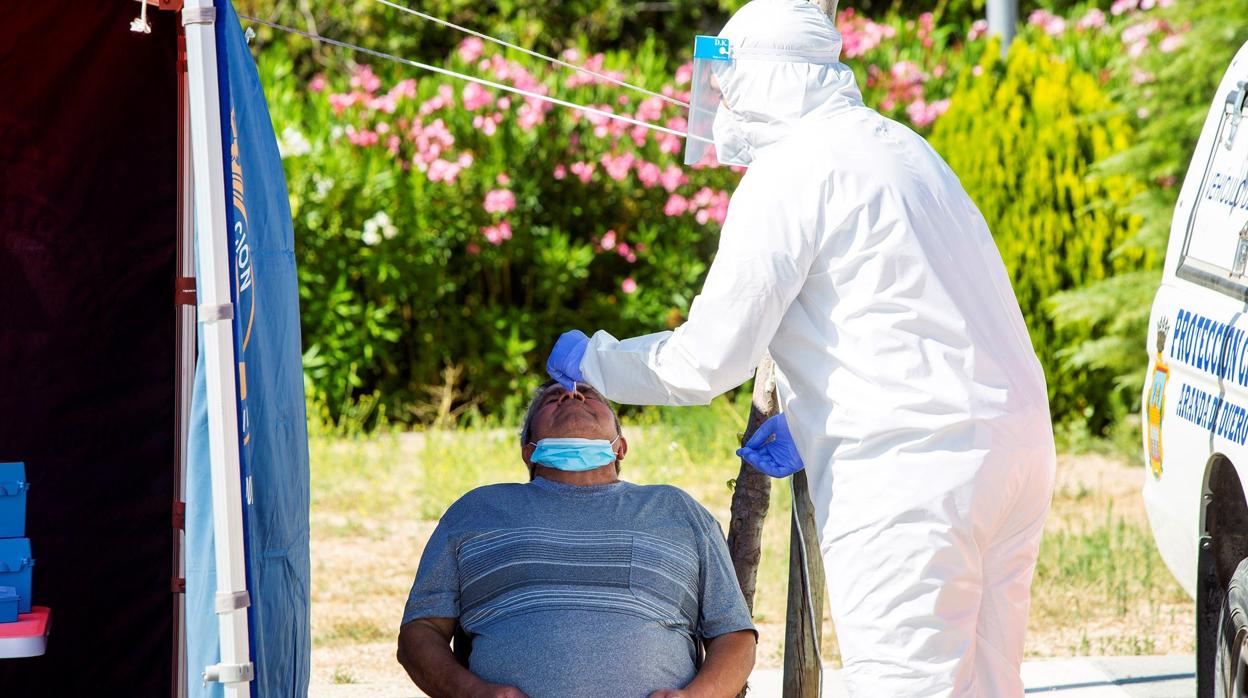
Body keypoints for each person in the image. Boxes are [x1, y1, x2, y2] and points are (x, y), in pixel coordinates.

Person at [543, 0, 1056, 695]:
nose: (721, 105)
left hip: (911, 473)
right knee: (989, 684)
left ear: (762, 79)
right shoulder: (900, 145)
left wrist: (595, 360)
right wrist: (811, 417)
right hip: (1011, 452)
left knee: (907, 684)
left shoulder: (791, 172)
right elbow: (905, 308)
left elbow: (705, 361)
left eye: (728, 87)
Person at [396, 381, 757, 698]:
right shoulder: (476, 509)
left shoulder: (676, 508)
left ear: (621, 447)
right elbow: (421, 631)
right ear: (529, 451)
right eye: (553, 399)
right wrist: (472, 692)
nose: (571, 393)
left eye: (588, 395)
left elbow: (734, 636)